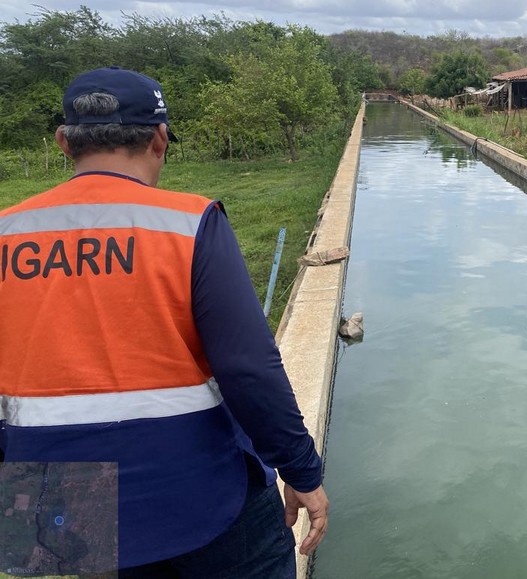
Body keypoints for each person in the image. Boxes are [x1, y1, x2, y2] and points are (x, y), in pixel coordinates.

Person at [0, 67, 329, 577]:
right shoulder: (189, 223)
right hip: (194, 487)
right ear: (159, 139)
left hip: (56, 499)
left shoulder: (7, 235)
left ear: (65, 143)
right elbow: (248, 366)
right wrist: (302, 469)